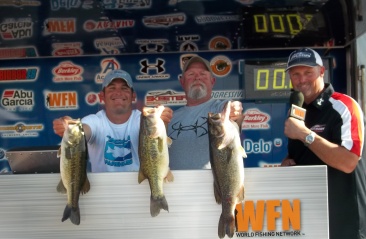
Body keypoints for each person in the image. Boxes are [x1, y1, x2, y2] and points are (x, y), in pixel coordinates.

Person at [281, 48, 366, 239]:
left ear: (321, 71)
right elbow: (301, 155)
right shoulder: (298, 110)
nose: (301, 79)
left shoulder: (344, 106)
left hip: (344, 224)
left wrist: (305, 134)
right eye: (295, 74)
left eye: (307, 72)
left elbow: (348, 162)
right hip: (309, 221)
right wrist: (287, 163)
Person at [53, 69, 172, 172]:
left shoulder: (143, 120)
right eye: (112, 88)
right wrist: (72, 130)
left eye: (124, 88)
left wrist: (162, 122)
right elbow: (84, 131)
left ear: (133, 96)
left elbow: (156, 140)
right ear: (102, 96)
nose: (118, 92)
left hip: (139, 189)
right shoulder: (94, 121)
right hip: (103, 191)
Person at [167, 55, 244, 169]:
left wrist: (234, 109)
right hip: (177, 186)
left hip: (214, 185)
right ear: (182, 82)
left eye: (203, 74)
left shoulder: (219, 109)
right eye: (191, 74)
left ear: (212, 81)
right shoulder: (170, 118)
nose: (197, 78)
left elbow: (233, 110)